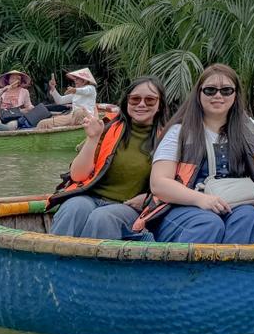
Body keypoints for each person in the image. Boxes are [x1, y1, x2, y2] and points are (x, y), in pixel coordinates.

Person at [135, 65, 254, 244]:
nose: (218, 96)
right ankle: (189, 272)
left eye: (226, 90)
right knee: (208, 223)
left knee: (250, 217)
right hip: (182, 208)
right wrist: (201, 200)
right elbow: (158, 183)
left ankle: (231, 271)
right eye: (210, 90)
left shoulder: (248, 128)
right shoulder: (179, 132)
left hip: (236, 204)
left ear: (235, 95)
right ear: (199, 94)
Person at [49, 76, 171, 239]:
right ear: (127, 102)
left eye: (150, 100)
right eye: (135, 99)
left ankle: (91, 265)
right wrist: (93, 138)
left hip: (129, 207)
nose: (141, 104)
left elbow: (177, 182)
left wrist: (150, 199)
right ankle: (55, 262)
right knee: (73, 208)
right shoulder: (107, 127)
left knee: (102, 218)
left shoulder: (169, 139)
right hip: (91, 197)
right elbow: (77, 176)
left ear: (160, 105)